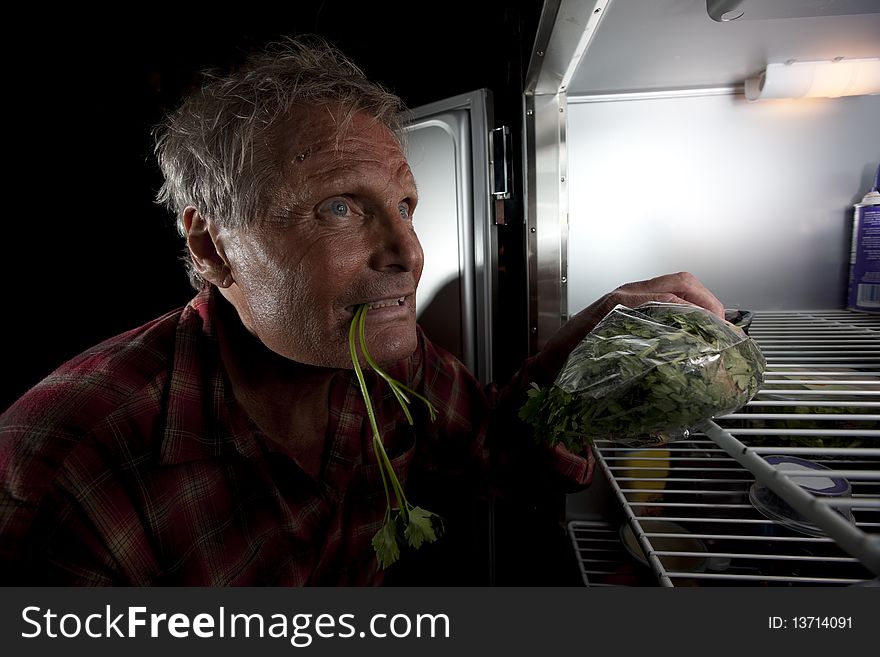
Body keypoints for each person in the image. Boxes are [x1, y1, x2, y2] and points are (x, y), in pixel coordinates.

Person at [0, 36, 723, 586]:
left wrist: (590, 342)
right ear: (212, 246)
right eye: (339, 207)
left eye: (405, 206)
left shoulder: (384, 367)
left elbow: (503, 450)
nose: (407, 251)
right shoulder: (66, 464)